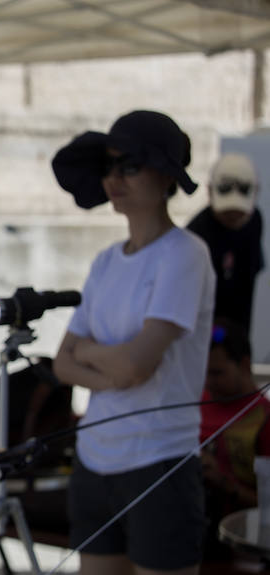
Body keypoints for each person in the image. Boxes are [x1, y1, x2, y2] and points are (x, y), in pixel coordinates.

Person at [51, 110, 216, 575]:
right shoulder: (106, 260)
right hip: (94, 459)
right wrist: (106, 360)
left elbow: (134, 368)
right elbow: (62, 363)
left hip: (159, 461)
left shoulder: (186, 253)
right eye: (107, 167)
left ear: (165, 175)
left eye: (129, 165)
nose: (113, 179)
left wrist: (88, 353)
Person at [199, 317, 270, 562]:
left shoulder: (264, 418)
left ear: (244, 365)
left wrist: (224, 483)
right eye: (204, 372)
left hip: (239, 545)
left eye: (217, 373)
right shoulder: (193, 403)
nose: (208, 381)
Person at [187, 153, 264, 332]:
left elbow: (250, 278)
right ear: (209, 191)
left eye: (240, 213)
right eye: (227, 213)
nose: (233, 218)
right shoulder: (196, 235)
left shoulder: (255, 222)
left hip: (241, 326)